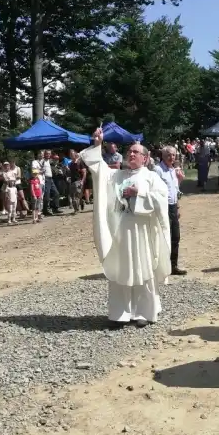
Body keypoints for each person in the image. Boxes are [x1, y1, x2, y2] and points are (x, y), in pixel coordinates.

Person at [82, 127, 172, 328]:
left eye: (136, 152)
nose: (131, 154)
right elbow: (98, 169)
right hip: (120, 232)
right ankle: (120, 314)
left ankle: (143, 312)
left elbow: (161, 201)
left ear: (146, 158)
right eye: (129, 151)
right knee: (121, 270)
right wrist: (98, 145)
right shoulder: (117, 176)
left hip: (142, 232)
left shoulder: (151, 177)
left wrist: (139, 194)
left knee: (143, 270)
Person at [155, 146, 187, 276]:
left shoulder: (173, 170)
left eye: (173, 155)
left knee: (175, 236)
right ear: (163, 155)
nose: (171, 157)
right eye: (168, 154)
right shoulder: (158, 170)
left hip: (173, 206)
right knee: (163, 237)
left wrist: (177, 206)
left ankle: (173, 265)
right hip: (163, 206)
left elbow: (174, 190)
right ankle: (161, 266)